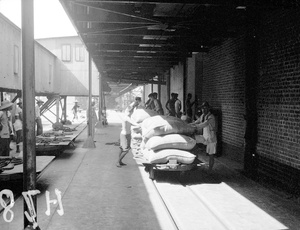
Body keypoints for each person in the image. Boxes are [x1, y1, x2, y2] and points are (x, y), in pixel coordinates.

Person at [190, 101, 217, 171]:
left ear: (208, 109)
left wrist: (194, 127)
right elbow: (197, 121)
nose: (203, 110)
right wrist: (189, 124)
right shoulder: (203, 116)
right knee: (193, 139)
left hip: (211, 139)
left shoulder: (211, 117)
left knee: (211, 155)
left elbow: (203, 124)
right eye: (202, 108)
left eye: (205, 108)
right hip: (205, 137)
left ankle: (210, 170)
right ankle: (194, 159)